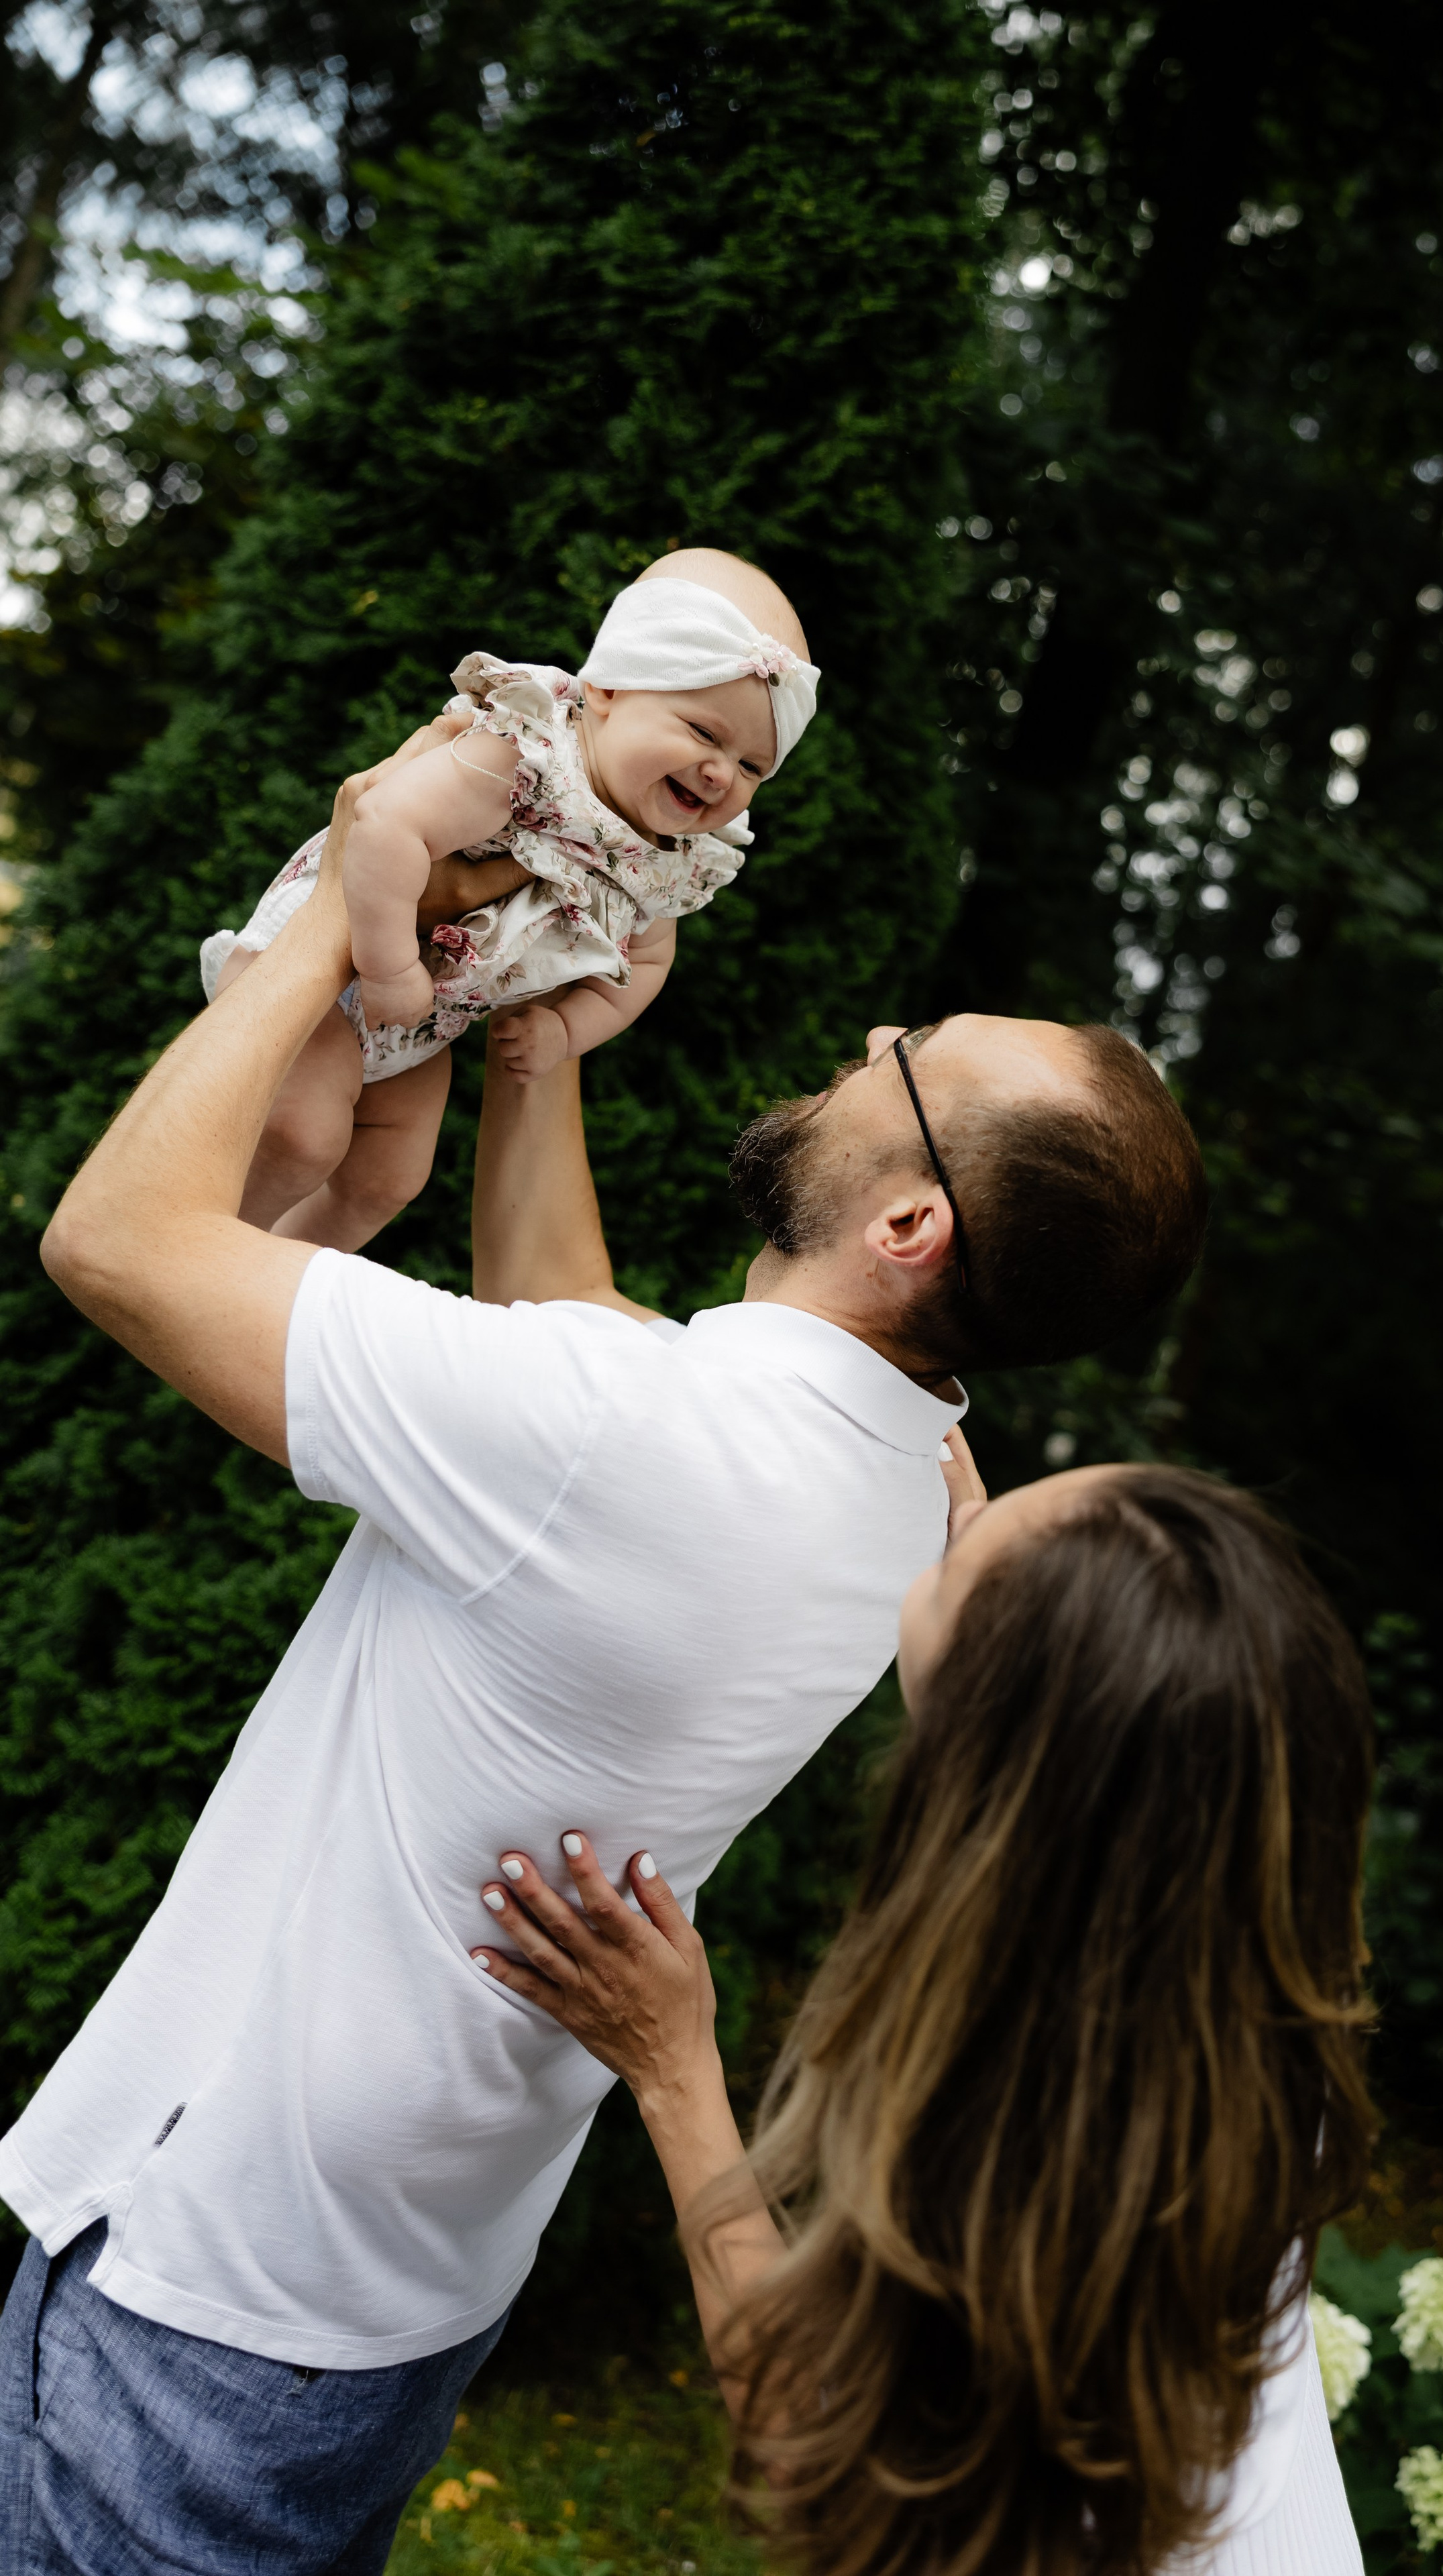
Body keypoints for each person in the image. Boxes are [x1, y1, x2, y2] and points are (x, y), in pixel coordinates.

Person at [0, 717, 1206, 2574]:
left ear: (907, 1221)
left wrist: (352, 884)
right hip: (403, 2279)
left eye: (908, 1058)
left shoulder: (617, 1440)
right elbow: (566, 1325)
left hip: (204, 2283)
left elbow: (113, 1240)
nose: (868, 1035)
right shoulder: (903, 1484)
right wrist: (533, 1051)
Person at [472, 1461, 1375, 2575]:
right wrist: (996, 1565)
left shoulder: (1035, 2153)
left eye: (963, 1562)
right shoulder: (1236, 1992)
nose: (959, 1521)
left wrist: (674, 2071)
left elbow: (820, 2452)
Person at [203, 548, 818, 1250]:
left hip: (420, 1022)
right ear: (608, 689)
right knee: (304, 1136)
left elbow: (647, 966)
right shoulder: (529, 754)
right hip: (334, 958)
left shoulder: (666, 862)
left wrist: (565, 1032)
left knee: (388, 1180)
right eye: (704, 733)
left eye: (752, 766)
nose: (720, 774)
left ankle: (276, 1275)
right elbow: (384, 825)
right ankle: (198, 1254)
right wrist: (388, 969)